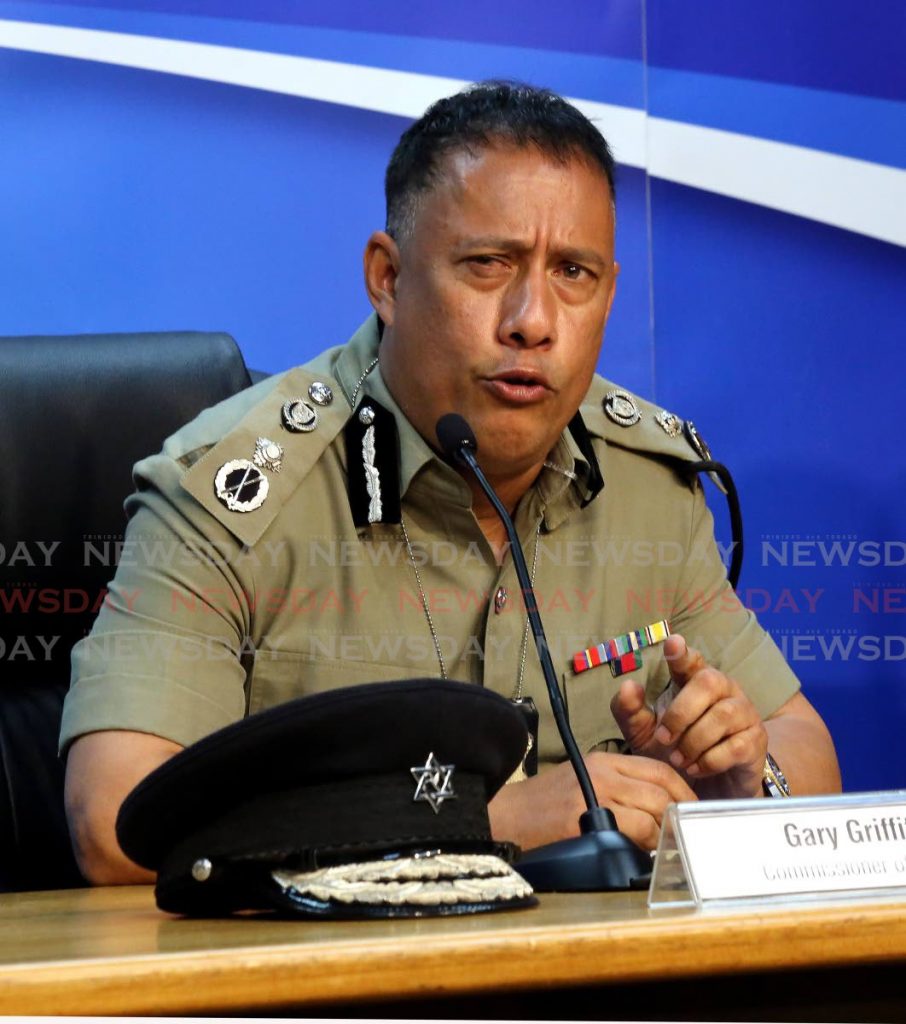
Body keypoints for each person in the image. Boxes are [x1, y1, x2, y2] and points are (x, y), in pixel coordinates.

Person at [62, 81, 841, 885]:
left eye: (572, 273)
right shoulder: (231, 499)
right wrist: (477, 824)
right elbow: (116, 827)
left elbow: (801, 743)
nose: (533, 320)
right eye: (488, 264)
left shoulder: (649, 483)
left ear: (607, 293)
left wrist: (743, 789)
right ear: (388, 279)